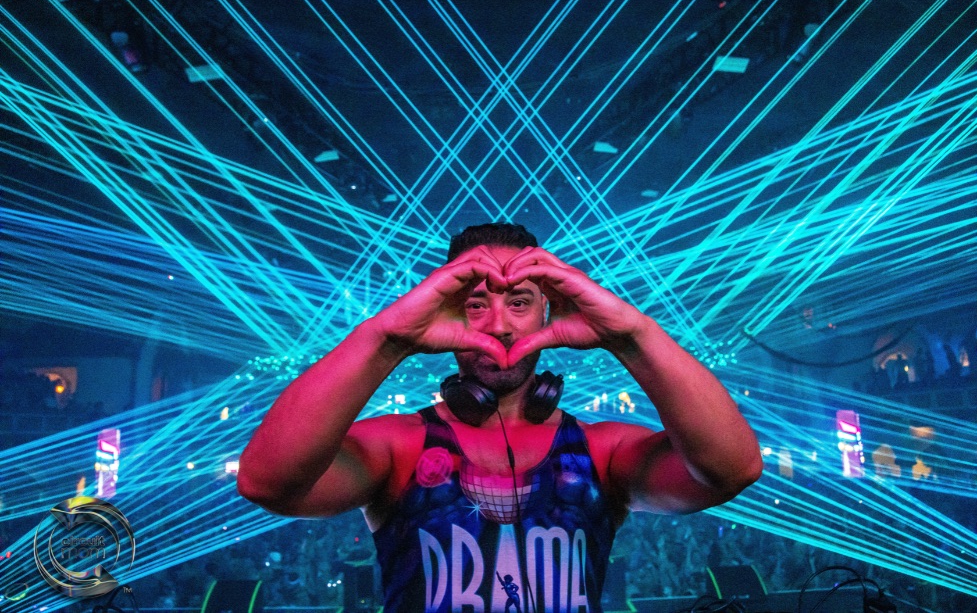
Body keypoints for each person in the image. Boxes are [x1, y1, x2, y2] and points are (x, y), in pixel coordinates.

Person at [238, 222, 762, 612]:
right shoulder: (400, 446)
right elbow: (267, 482)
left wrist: (630, 335)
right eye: (474, 304)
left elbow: (732, 470)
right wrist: (388, 338)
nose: (499, 325)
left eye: (519, 302)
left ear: (547, 311)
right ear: (444, 311)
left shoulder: (603, 450)